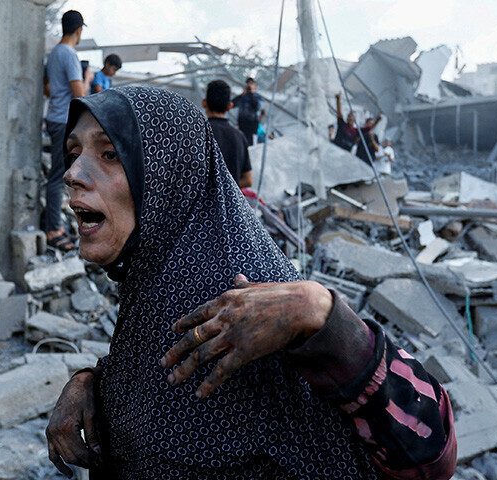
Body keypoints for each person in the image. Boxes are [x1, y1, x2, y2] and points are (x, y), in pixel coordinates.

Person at [45, 87, 457, 479]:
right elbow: (159, 380)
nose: (73, 173)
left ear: (167, 173)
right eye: (74, 152)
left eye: (110, 154)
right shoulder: (159, 274)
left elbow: (428, 451)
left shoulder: (240, 297)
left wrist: (324, 317)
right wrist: (93, 384)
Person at [42, 9, 86, 252]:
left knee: (61, 175)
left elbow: (48, 89)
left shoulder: (54, 54)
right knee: (59, 176)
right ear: (79, 30)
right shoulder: (69, 55)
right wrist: (86, 78)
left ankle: (57, 225)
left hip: (54, 117)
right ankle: (53, 229)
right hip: (63, 120)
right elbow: (79, 95)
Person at [202, 80, 252, 188]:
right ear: (229, 106)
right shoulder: (239, 136)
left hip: (201, 203)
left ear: (204, 103)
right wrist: (227, 187)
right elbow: (248, 180)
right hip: (229, 203)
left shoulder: (198, 132)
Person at [232, 77, 264, 146]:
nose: (249, 86)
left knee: (251, 145)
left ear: (255, 86)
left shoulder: (258, 97)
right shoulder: (242, 97)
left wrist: (251, 94)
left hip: (252, 127)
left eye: (251, 84)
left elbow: (257, 108)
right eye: (248, 84)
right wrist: (243, 94)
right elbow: (231, 104)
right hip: (242, 125)